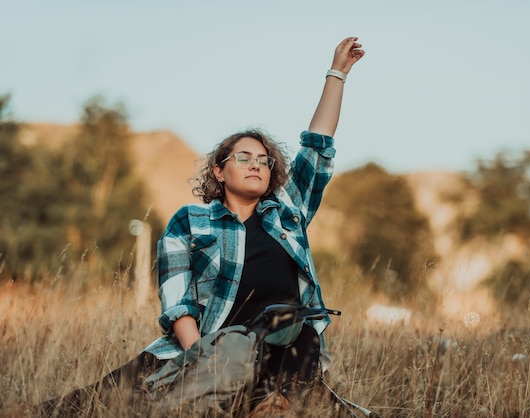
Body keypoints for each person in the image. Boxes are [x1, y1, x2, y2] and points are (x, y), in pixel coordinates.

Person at [40, 36, 364, 417]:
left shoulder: (287, 212)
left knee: (303, 329)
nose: (257, 164)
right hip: (211, 344)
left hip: (283, 348)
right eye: (243, 157)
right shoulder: (190, 222)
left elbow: (318, 146)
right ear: (219, 171)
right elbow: (178, 302)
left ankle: (274, 404)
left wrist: (337, 73)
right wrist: (199, 359)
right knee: (101, 400)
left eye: (264, 159)